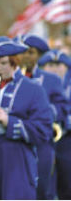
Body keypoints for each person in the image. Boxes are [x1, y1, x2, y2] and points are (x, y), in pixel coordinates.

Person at [0, 36, 53, 199]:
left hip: (18, 162)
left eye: (3, 63)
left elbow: (44, 131)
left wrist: (9, 121)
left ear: (14, 62)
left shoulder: (33, 89)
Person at [18, 34, 68, 199]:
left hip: (41, 141)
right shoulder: (8, 79)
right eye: (21, 52)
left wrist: (43, 112)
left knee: (42, 189)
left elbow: (63, 107)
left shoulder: (50, 80)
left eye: (30, 52)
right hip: (13, 141)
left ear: (39, 56)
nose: (25, 56)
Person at [38, 49, 71, 199]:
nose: (56, 69)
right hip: (45, 137)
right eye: (50, 65)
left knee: (67, 181)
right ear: (43, 67)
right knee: (46, 182)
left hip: (67, 139)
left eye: (60, 65)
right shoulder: (39, 84)